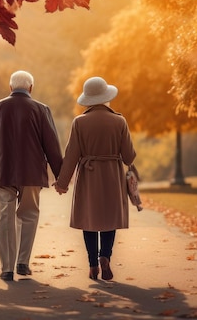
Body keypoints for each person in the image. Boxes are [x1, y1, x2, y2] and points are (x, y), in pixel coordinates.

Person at [0, 70, 63, 282]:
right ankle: (23, 262)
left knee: (4, 217)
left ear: (10, 87)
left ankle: (7, 268)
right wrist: (61, 176)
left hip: (2, 171)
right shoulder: (41, 109)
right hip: (31, 172)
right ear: (31, 88)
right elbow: (51, 145)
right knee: (29, 214)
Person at [54, 76, 136, 281]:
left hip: (89, 176)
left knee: (88, 220)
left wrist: (62, 183)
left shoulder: (79, 122)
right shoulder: (119, 121)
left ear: (88, 99)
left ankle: (92, 265)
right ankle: (105, 256)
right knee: (109, 219)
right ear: (106, 97)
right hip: (112, 176)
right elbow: (128, 156)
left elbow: (71, 154)